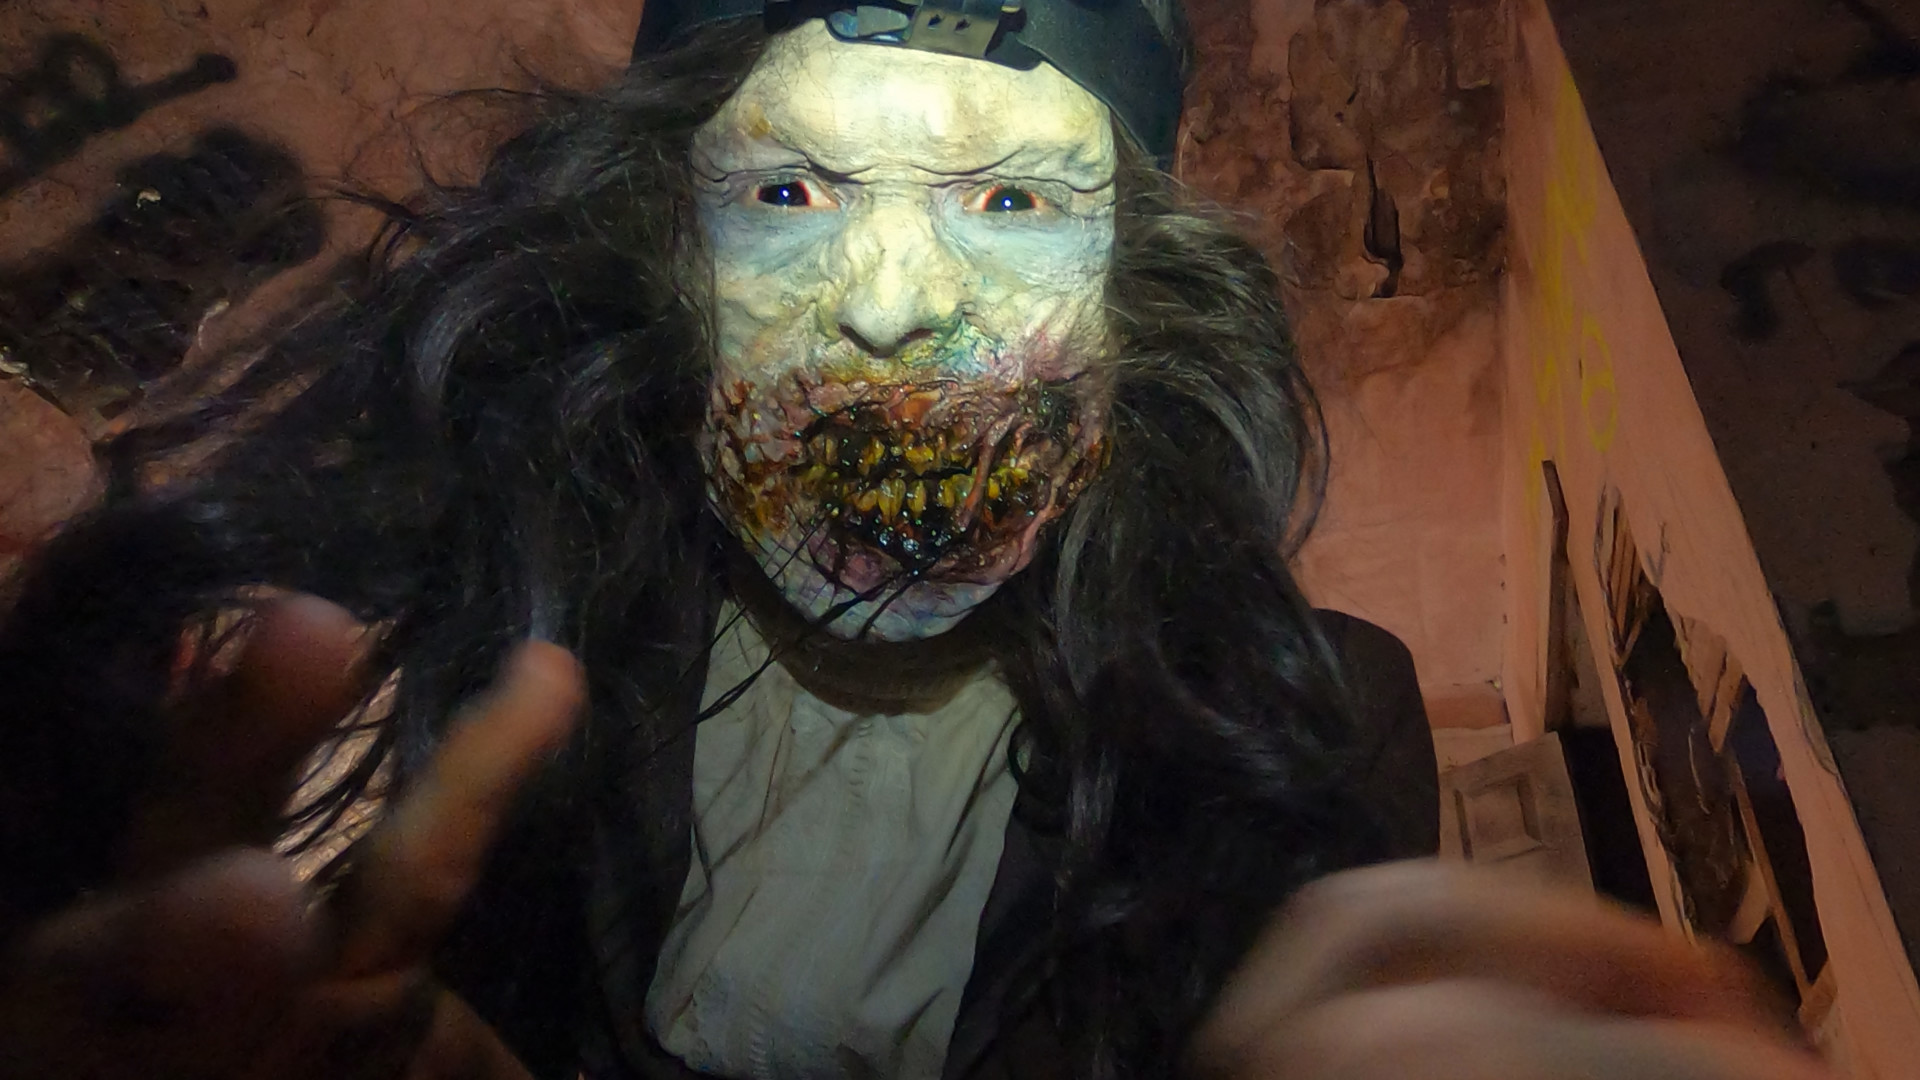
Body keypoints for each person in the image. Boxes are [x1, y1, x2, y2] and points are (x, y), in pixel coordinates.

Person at [0, 2, 1833, 1079]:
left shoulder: (1314, 719)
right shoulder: (534, 662)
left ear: (1133, 299)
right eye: (793, 191)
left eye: (1012, 199)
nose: (890, 302)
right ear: (668, 260)